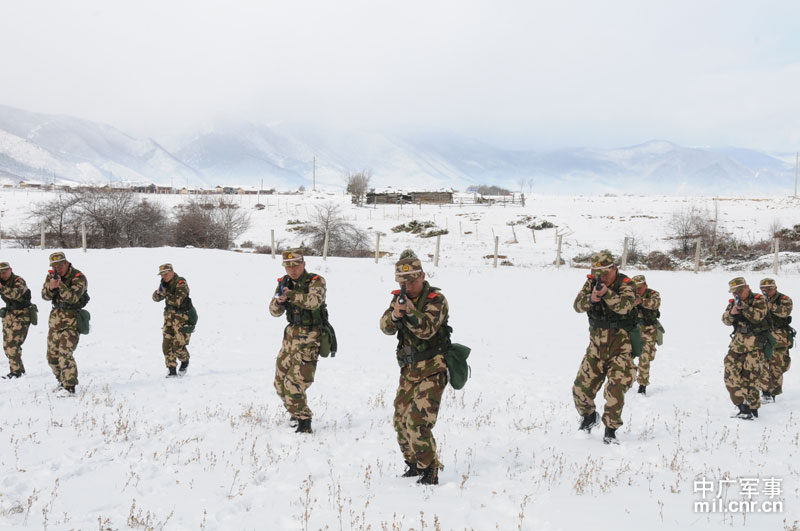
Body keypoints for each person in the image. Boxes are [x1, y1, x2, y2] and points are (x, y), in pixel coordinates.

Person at [380, 250, 450, 485]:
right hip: (409, 370)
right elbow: (385, 328)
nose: (407, 286)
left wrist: (410, 312)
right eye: (402, 282)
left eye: (411, 280)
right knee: (400, 420)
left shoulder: (436, 300)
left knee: (417, 421)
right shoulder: (398, 299)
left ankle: (430, 470)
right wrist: (395, 315)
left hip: (433, 368)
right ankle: (413, 464)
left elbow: (427, 329)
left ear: (422, 276)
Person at [572, 250, 637, 444]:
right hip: (596, 349)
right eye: (596, 272)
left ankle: (610, 430)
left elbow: (625, 307)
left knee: (615, 391)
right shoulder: (591, 283)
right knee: (580, 389)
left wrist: (606, 294)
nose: (602, 277)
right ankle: (589, 417)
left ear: (614, 268)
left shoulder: (626, 284)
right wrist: (591, 299)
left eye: (605, 273)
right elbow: (577, 306)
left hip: (620, 348)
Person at [269, 250, 328, 434]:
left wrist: (292, 295)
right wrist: (279, 302)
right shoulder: (284, 282)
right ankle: (294, 413)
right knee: (280, 382)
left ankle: (304, 422)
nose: (292, 270)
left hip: (310, 337)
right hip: (290, 337)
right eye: (288, 266)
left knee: (294, 383)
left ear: (304, 263)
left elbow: (314, 301)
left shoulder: (316, 281)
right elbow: (274, 312)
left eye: (295, 265)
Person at [41, 252, 88, 396]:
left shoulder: (78, 277)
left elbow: (73, 298)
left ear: (66, 263)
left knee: (65, 353)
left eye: (60, 265)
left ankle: (69, 386)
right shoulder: (51, 276)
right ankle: (61, 381)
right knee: (52, 357)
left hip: (71, 320)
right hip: (55, 320)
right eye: (54, 266)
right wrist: (51, 287)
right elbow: (44, 296)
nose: (58, 269)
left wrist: (60, 285)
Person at [722, 277, 767, 419]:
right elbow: (725, 320)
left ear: (747, 287)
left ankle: (752, 409)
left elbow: (758, 317)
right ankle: (742, 405)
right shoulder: (734, 302)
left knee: (750, 378)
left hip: (755, 344)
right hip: (738, 344)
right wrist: (733, 312)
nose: (737, 295)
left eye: (740, 291)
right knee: (730, 373)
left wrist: (745, 308)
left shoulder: (759, 300)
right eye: (734, 293)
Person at [152, 263, 193, 378]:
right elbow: (155, 298)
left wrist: (166, 292)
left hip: (181, 319)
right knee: (166, 346)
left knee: (177, 347)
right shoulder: (164, 283)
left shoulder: (180, 283)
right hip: (169, 319)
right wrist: (158, 292)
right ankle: (172, 371)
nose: (163, 277)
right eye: (162, 275)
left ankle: (185, 361)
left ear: (172, 272)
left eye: (165, 274)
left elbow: (178, 301)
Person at [758, 278, 793, 403]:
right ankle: (765, 392)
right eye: (763, 289)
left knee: (777, 367)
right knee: (761, 364)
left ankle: (774, 393)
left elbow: (785, 312)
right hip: (763, 336)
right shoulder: (759, 300)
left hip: (779, 337)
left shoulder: (784, 299)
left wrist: (771, 306)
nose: (766, 292)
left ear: (775, 288)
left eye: (769, 289)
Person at [0, 262, 34, 379]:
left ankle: (16, 372)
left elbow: (15, 294)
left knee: (13, 344)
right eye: (0, 273)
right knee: (7, 345)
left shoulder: (19, 281)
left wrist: (2, 288)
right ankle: (18, 370)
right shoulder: (3, 282)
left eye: (4, 272)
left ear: (10, 270)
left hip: (22, 315)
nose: (3, 275)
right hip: (9, 315)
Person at [631, 275, 661, 396]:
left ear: (645, 286)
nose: (637, 291)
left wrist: (641, 301)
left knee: (645, 357)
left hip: (648, 330)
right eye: (635, 288)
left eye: (640, 288)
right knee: (626, 356)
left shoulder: (653, 294)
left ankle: (642, 385)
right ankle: (627, 380)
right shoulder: (630, 294)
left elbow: (655, 304)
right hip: (633, 330)